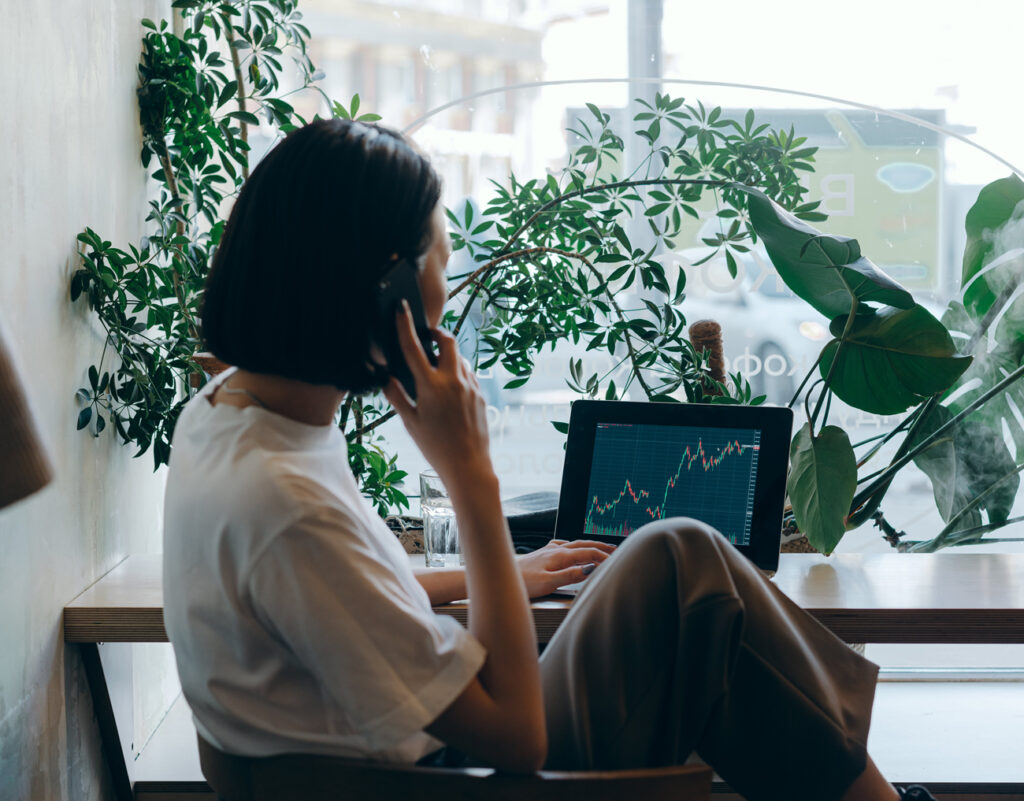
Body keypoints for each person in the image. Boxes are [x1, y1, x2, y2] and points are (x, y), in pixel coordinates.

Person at [162, 118, 933, 801]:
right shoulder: (288, 501)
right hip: (456, 776)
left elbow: (344, 592)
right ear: (386, 287)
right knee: (700, 584)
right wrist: (472, 477)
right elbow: (517, 733)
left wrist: (496, 575)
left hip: (409, 750)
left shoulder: (229, 416)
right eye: (442, 250)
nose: (452, 275)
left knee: (679, 554)